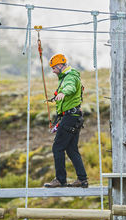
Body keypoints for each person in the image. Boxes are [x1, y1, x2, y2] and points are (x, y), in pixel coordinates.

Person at [44, 54, 88, 188]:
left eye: (53, 68)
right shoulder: (68, 76)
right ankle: (82, 179)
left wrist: (63, 93)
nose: (52, 70)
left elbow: (70, 87)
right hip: (74, 117)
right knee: (71, 149)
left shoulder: (70, 77)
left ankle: (60, 180)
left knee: (57, 147)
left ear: (60, 66)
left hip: (70, 117)